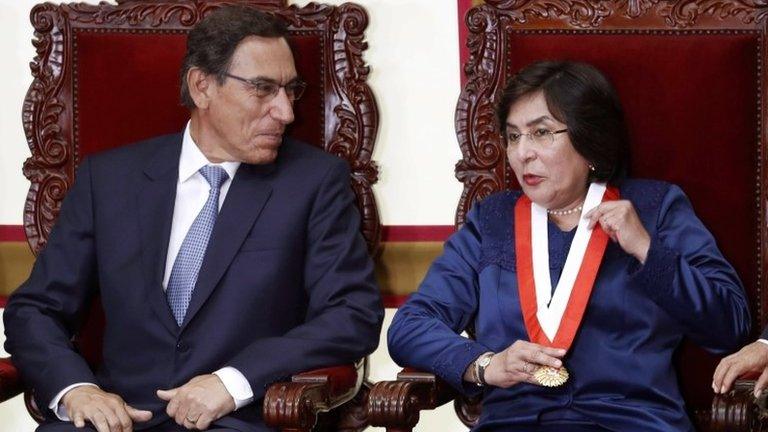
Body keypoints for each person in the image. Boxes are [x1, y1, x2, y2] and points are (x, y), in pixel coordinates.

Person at [4, 6, 383, 432]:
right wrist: (75, 389)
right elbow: (34, 309)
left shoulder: (314, 183)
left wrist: (234, 380)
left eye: (290, 90)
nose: (286, 112)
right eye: (263, 89)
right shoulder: (108, 179)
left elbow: (352, 313)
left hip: (241, 420)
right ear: (202, 86)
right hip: (115, 420)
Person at [387, 60, 750, 431]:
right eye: (513, 136)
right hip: (514, 423)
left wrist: (646, 249)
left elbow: (729, 325)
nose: (522, 152)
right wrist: (484, 364)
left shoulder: (656, 208)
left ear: (589, 140)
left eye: (541, 133)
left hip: (631, 421)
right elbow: (409, 327)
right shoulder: (492, 220)